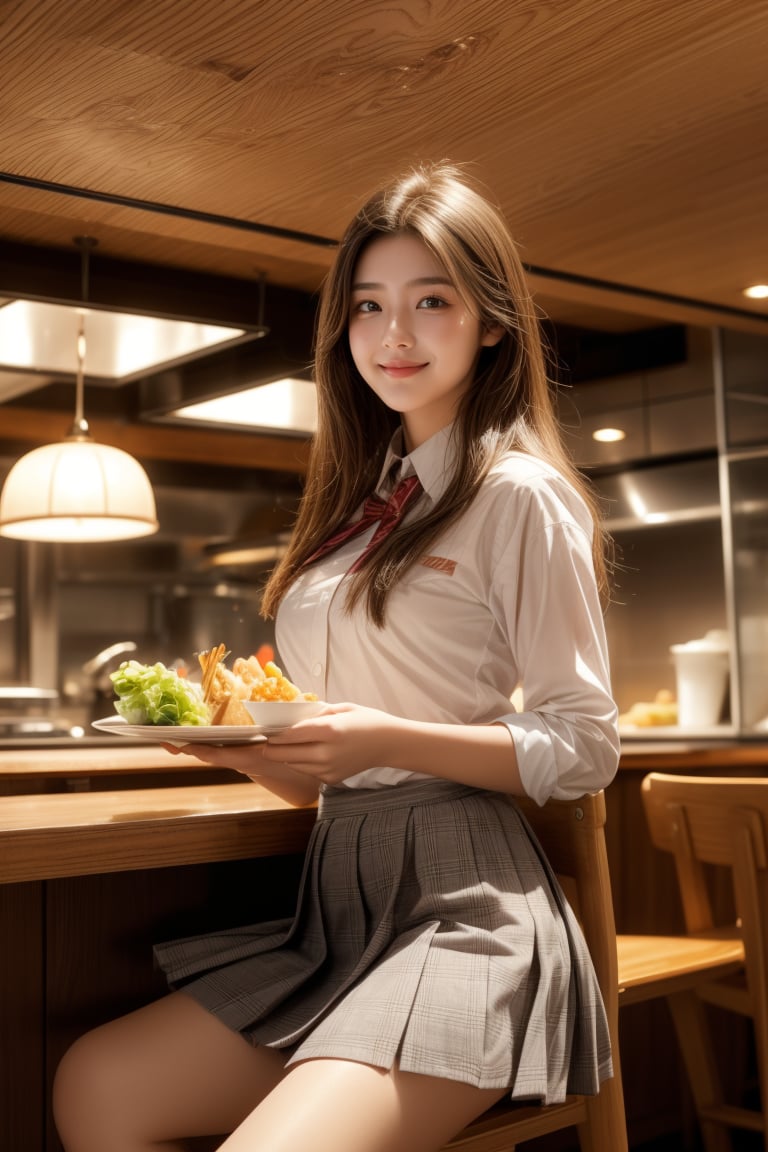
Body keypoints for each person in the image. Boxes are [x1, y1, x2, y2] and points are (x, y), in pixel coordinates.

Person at [53, 162, 620, 1152]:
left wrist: (377, 738)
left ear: (491, 323)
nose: (393, 336)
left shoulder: (518, 495)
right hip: (343, 906)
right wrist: (263, 756)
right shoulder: (364, 510)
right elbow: (338, 765)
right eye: (369, 307)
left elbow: (585, 744)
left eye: (430, 301)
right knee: (96, 1084)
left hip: (472, 918)